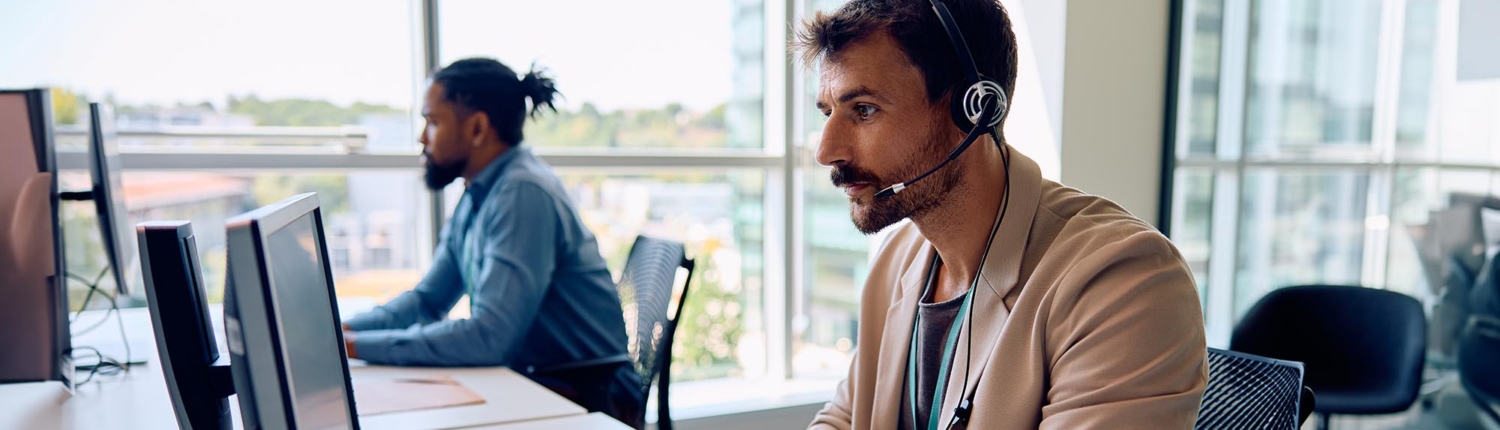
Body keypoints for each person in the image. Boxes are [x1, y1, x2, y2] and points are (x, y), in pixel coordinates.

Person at [795, 1, 1207, 428]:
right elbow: (844, 417)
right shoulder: (897, 260)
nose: (826, 152)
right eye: (827, 113)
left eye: (864, 109)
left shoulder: (1122, 282)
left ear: (975, 110)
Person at [340, 58, 644, 428]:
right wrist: (343, 332)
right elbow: (428, 301)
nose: (422, 137)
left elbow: (489, 337)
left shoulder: (522, 193)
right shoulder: (478, 194)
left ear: (478, 128)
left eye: (433, 122)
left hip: (589, 394)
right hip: (537, 379)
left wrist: (354, 348)